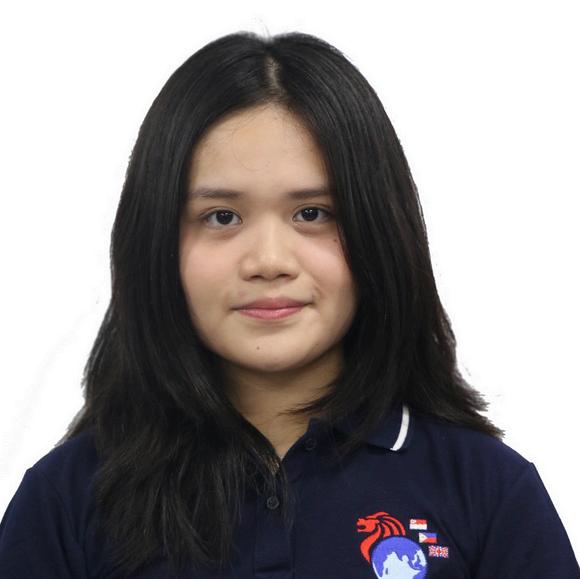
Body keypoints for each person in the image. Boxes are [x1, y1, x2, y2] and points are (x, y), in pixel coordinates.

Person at [0, 30, 578, 579]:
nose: (269, 261)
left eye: (312, 213)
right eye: (221, 217)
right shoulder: (64, 501)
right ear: (154, 243)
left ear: (379, 230)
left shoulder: (488, 490)